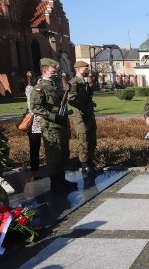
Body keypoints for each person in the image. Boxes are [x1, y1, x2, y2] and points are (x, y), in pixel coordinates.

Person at [30, 58, 77, 192]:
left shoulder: (55, 86)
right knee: (54, 155)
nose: (56, 73)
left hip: (61, 125)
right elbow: (36, 107)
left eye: (56, 71)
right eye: (53, 71)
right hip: (51, 127)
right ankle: (55, 184)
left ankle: (62, 180)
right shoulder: (40, 88)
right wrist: (53, 116)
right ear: (44, 71)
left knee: (63, 154)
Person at [68, 61, 98, 175]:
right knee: (84, 140)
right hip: (80, 116)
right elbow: (71, 99)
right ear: (78, 69)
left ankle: (90, 163)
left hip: (89, 115)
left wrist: (90, 104)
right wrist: (83, 107)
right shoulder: (74, 83)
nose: (87, 70)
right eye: (85, 68)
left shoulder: (84, 82)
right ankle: (85, 165)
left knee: (92, 140)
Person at [24, 72, 42, 177]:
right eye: (39, 81)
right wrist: (29, 78)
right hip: (34, 126)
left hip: (45, 124)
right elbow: (29, 87)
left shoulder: (44, 91)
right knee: (34, 148)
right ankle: (35, 169)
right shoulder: (31, 91)